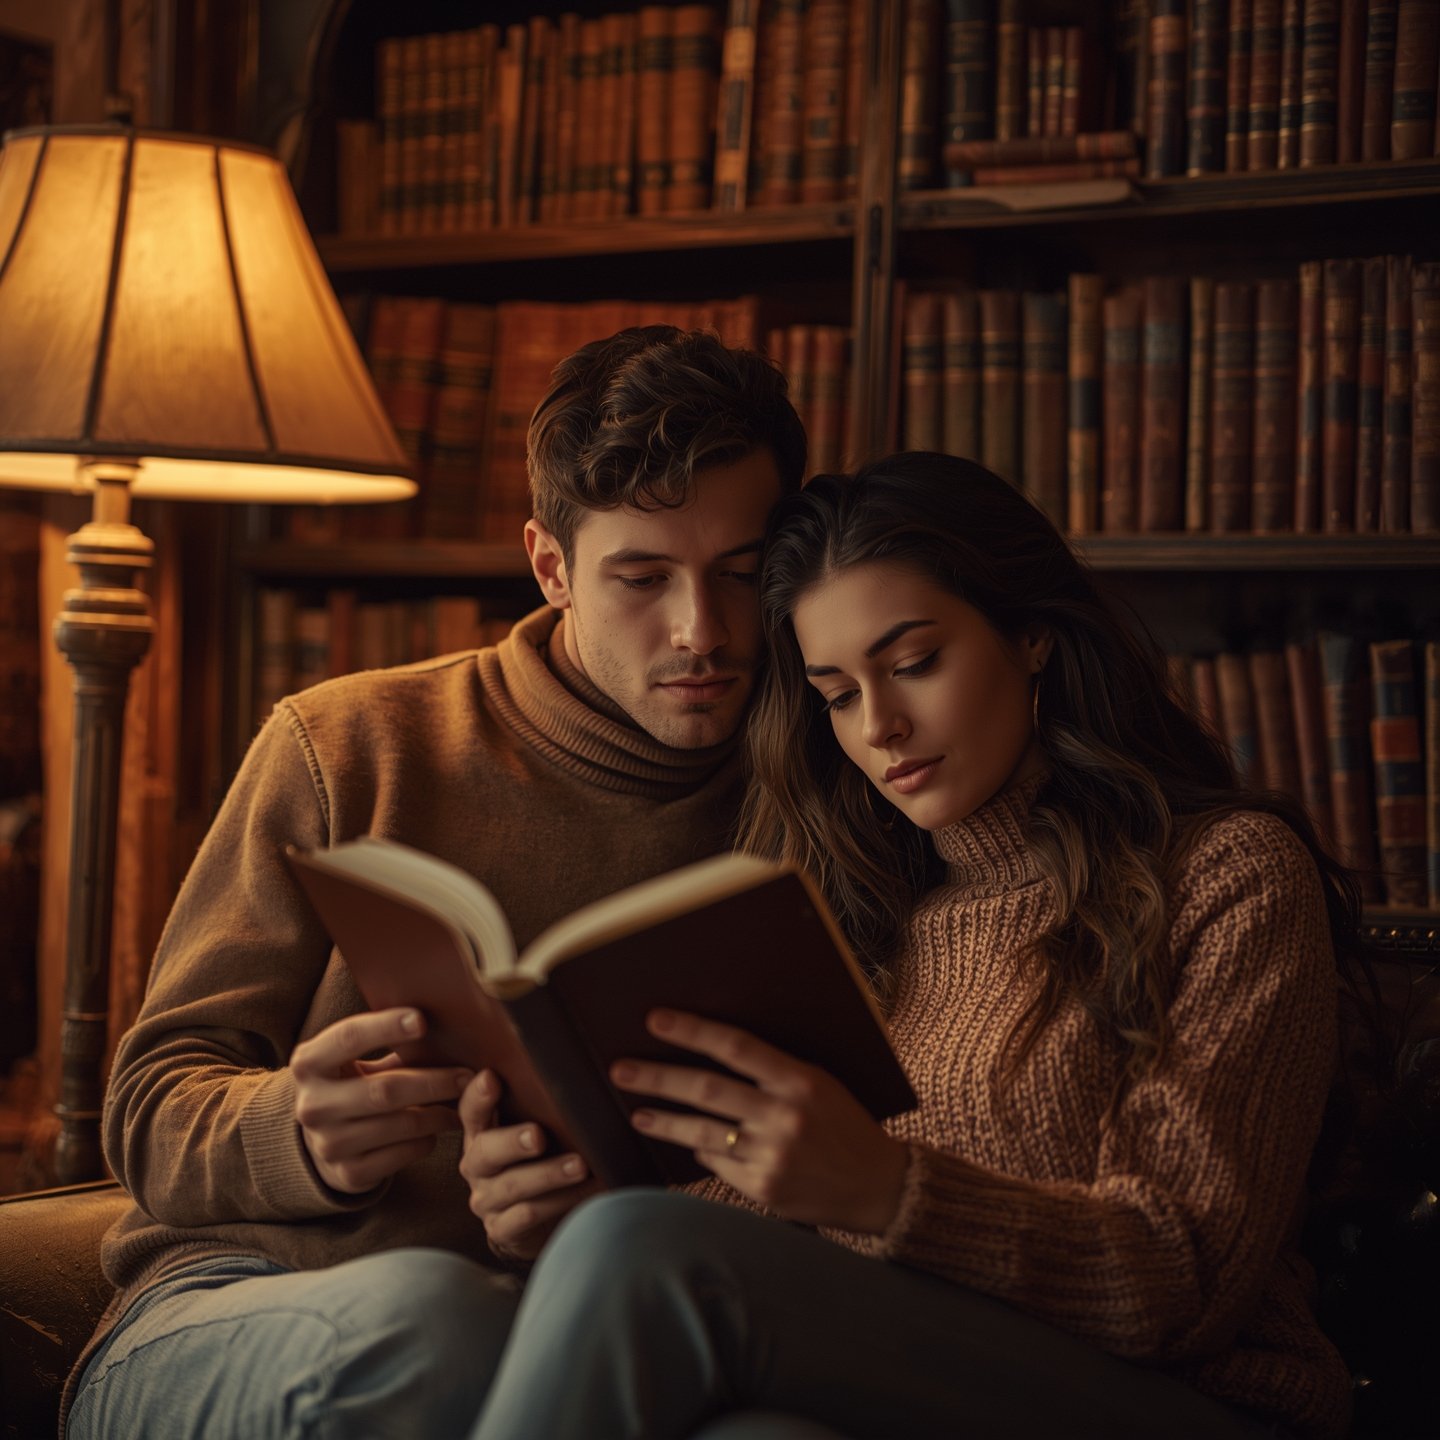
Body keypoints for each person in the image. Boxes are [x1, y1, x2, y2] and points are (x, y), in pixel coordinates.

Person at [460, 452, 1358, 1440]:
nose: (881, 726)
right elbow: (771, 1226)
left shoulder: (1228, 876)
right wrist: (574, 1202)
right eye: (838, 693)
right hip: (924, 1389)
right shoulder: (861, 913)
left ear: (1032, 639)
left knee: (640, 1249)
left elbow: (1188, 1279)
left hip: (1187, 1404)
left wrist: (886, 1191)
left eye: (915, 662)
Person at [64, 325, 807, 1439]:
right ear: (551, 567)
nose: (702, 631)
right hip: (236, 1302)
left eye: (743, 576)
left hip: (581, 1331)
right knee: (435, 1322)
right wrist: (299, 1137)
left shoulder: (826, 788)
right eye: (642, 580)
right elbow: (148, 1107)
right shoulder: (348, 743)